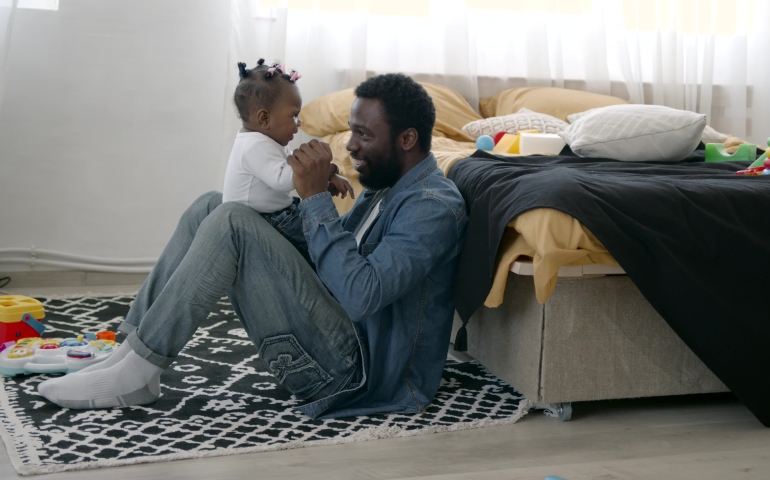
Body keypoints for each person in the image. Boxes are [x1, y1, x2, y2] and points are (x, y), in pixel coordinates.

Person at [38, 73, 469, 420]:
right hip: (336, 340)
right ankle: (130, 353)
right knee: (213, 205)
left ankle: (136, 372)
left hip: (355, 375)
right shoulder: (386, 189)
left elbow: (358, 294)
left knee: (233, 220)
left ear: (407, 139)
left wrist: (314, 198)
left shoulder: (431, 207)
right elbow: (332, 262)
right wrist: (307, 206)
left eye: (363, 135)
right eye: (351, 131)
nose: (351, 144)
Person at [223, 59, 354, 257]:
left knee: (319, 227)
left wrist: (327, 176)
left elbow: (295, 164)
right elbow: (284, 180)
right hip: (261, 221)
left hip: (277, 214)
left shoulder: (268, 140)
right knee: (319, 245)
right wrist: (325, 170)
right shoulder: (253, 145)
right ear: (264, 118)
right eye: (294, 115)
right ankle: (333, 264)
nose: (299, 122)